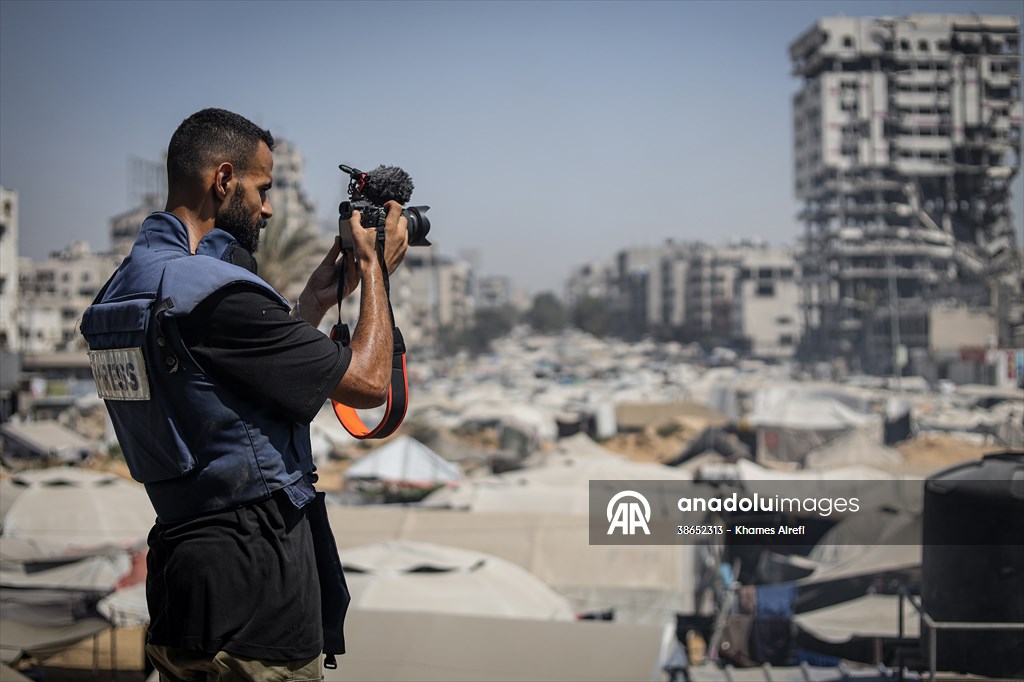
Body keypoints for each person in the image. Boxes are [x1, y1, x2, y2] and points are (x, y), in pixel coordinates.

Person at [81, 108, 408, 681]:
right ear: (224, 179)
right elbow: (369, 383)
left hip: (182, 579)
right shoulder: (213, 296)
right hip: (254, 593)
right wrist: (374, 266)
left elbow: (216, 384)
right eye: (262, 188)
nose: (269, 207)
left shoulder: (125, 288)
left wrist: (311, 307)